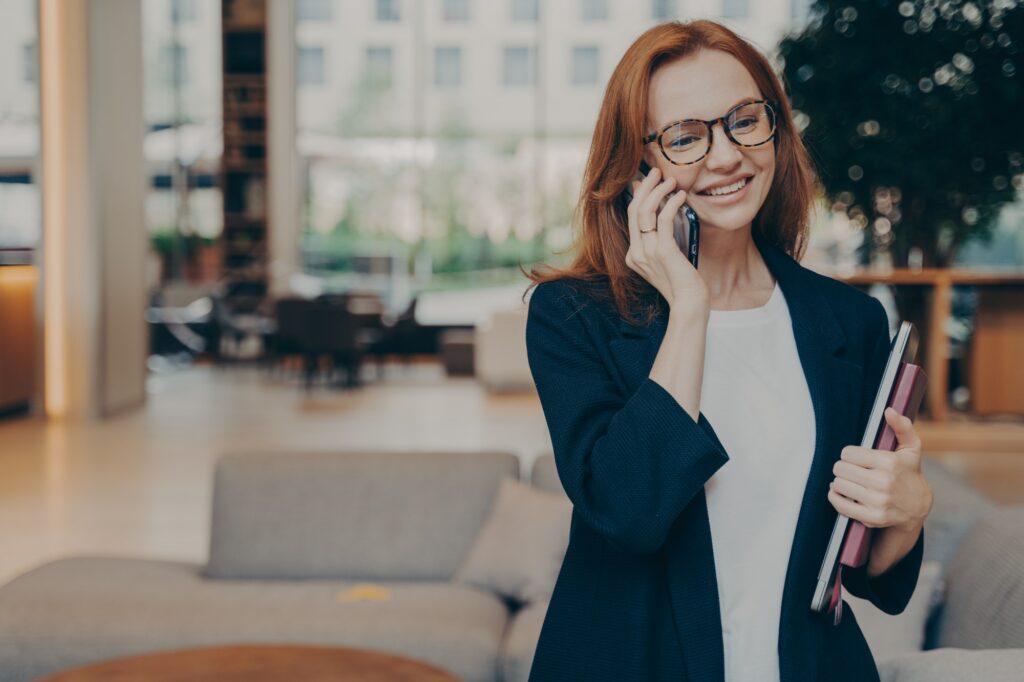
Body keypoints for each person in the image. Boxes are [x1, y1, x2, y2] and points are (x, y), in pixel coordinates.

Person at [521, 20, 933, 682]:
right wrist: (689, 308)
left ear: (776, 126)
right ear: (637, 166)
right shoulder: (573, 318)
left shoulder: (848, 321)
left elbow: (863, 577)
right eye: (687, 137)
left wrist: (907, 516)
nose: (727, 156)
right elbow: (628, 514)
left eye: (745, 120)